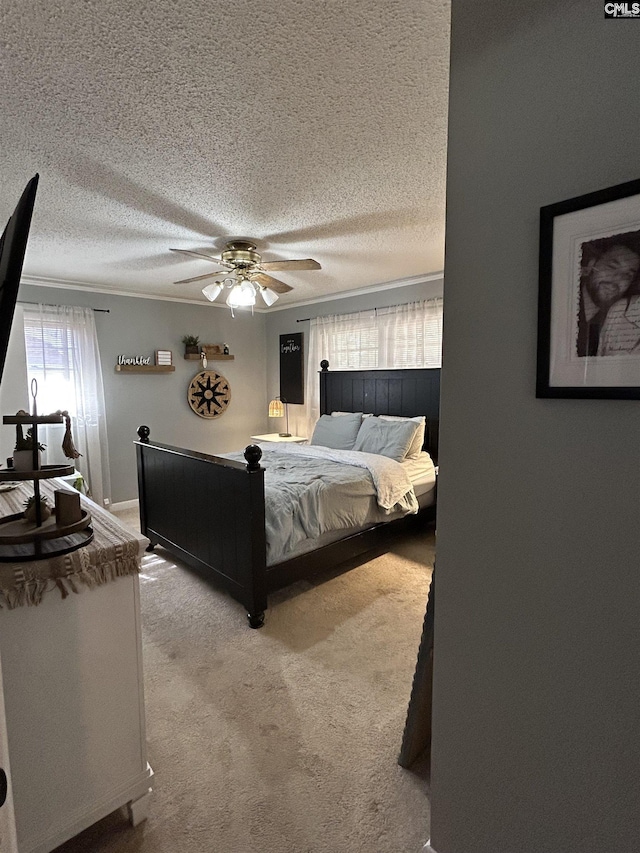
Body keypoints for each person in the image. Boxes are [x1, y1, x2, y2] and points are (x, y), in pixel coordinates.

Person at [576, 243, 640, 356]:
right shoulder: (563, 304)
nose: (618, 279)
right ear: (591, 265)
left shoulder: (615, 319)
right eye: (612, 267)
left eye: (627, 275)